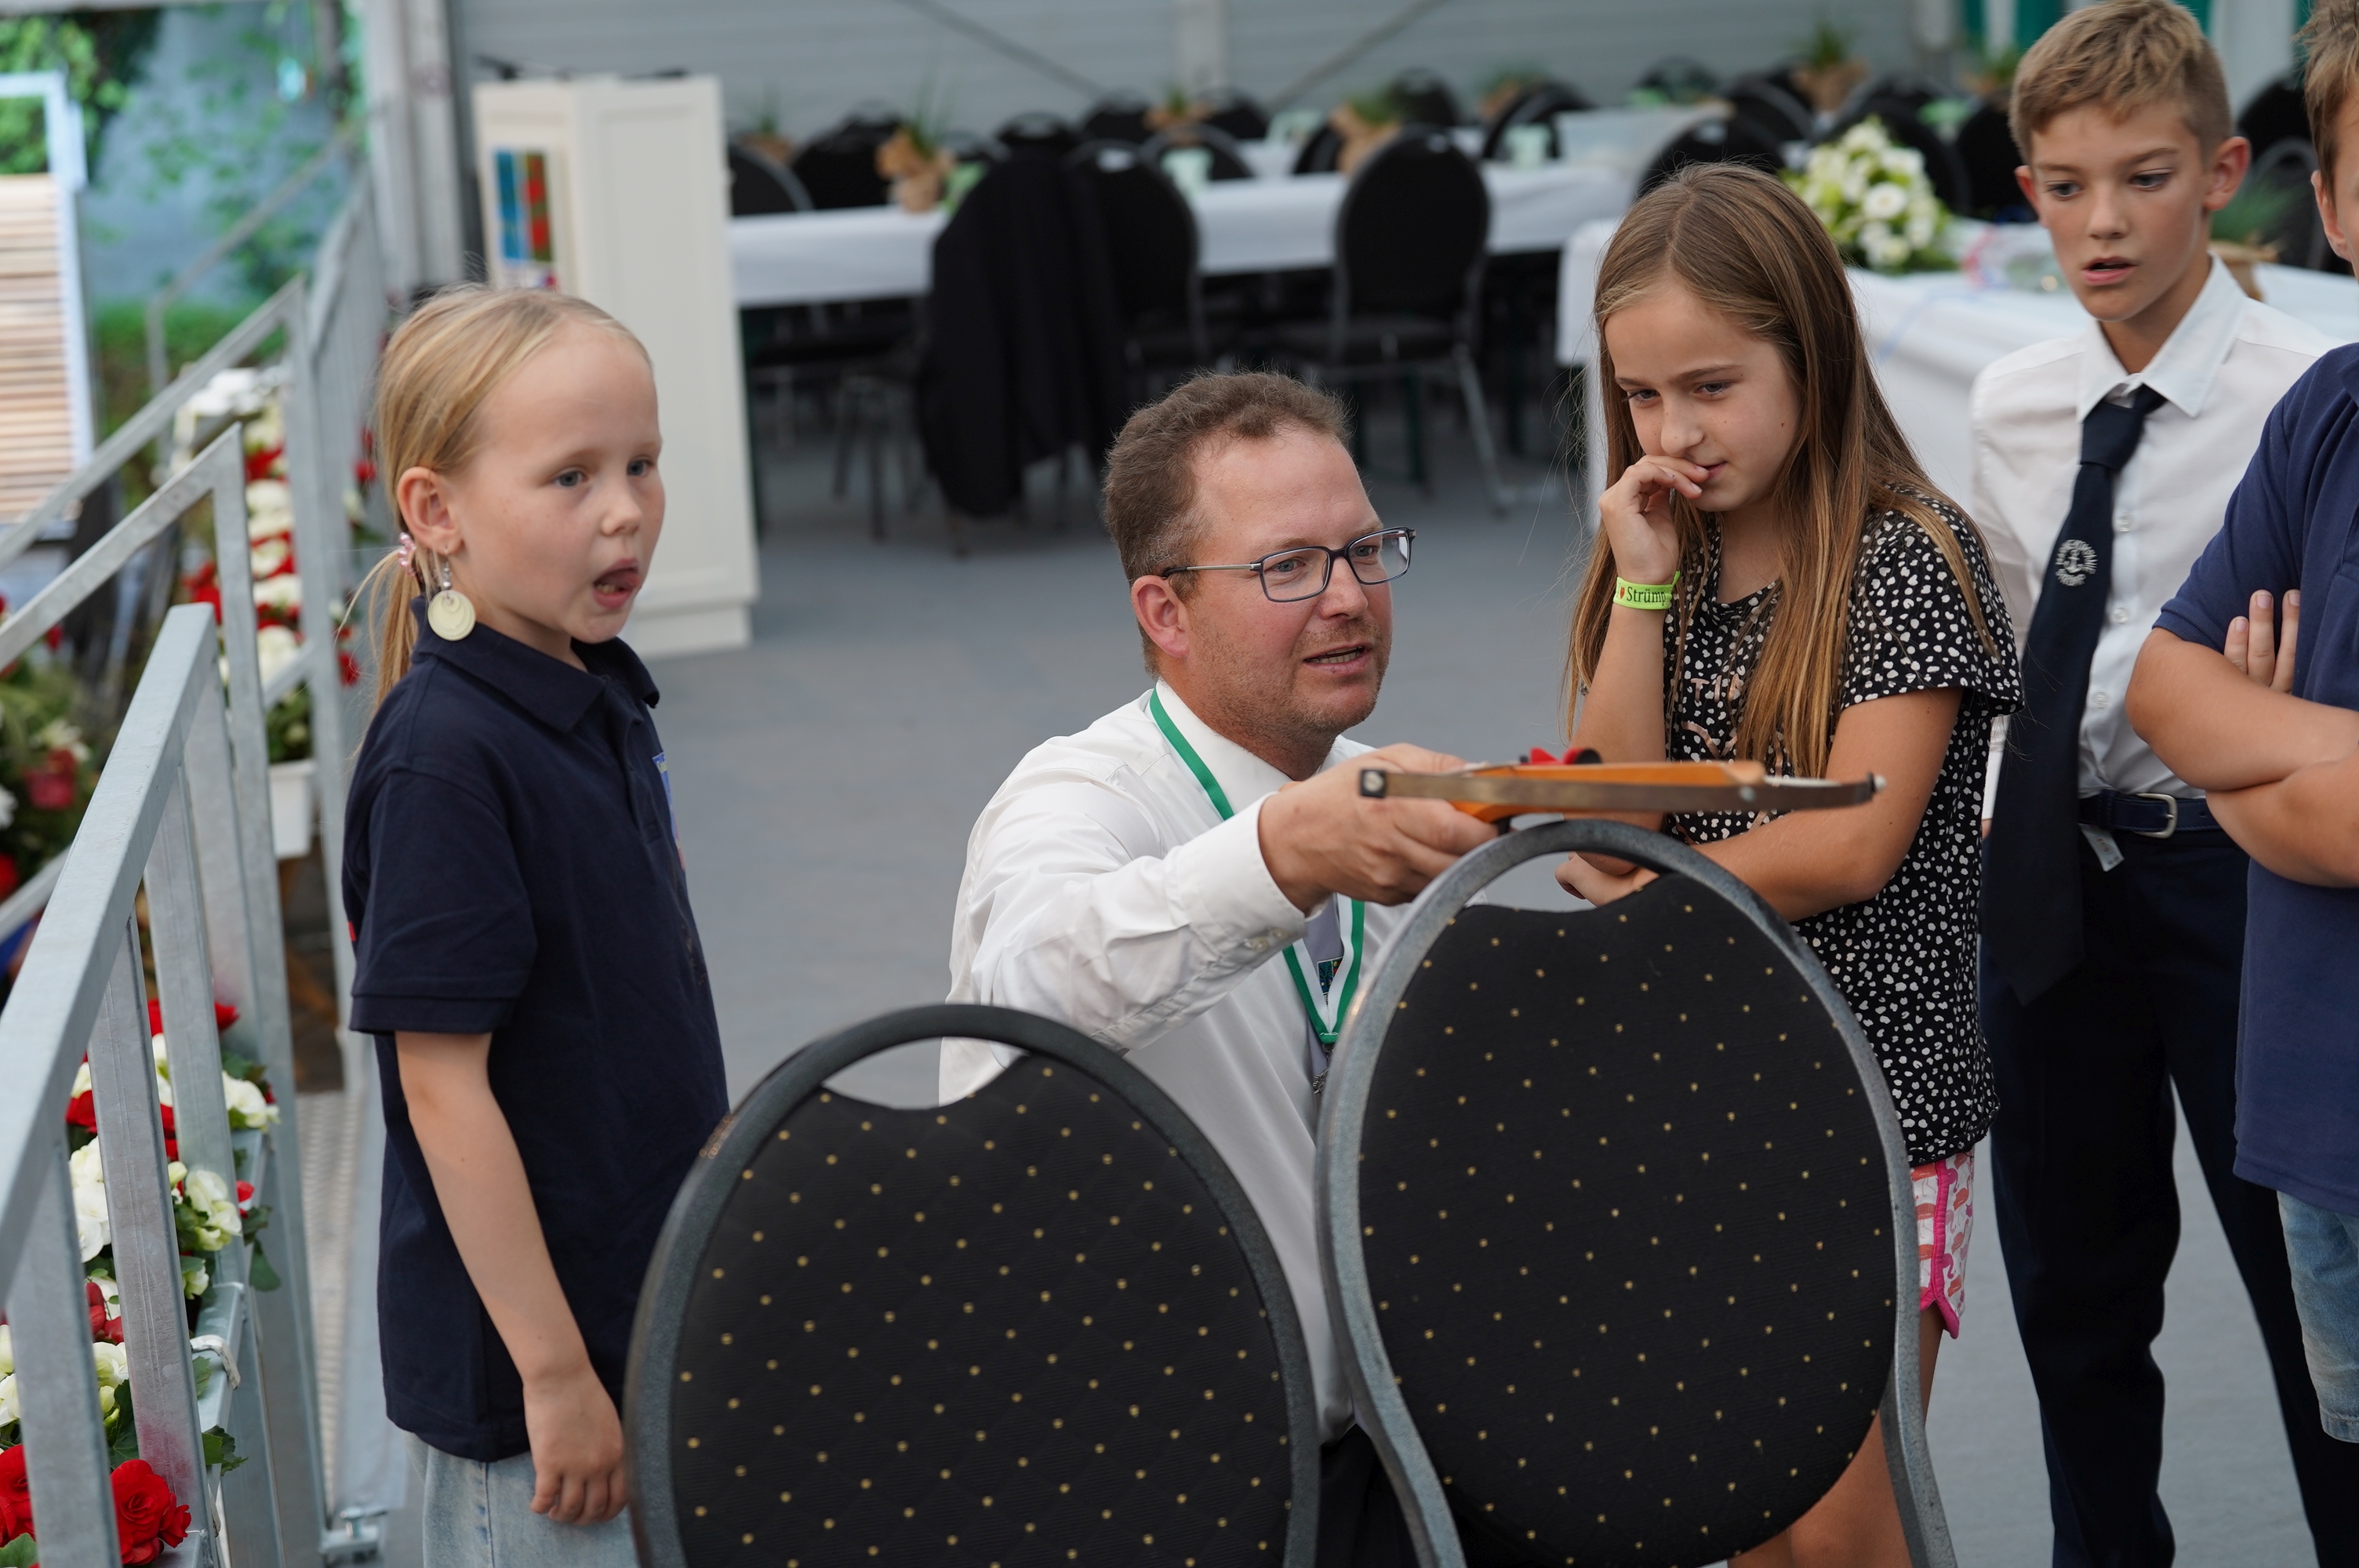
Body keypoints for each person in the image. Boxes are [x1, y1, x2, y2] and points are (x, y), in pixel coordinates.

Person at [943, 370, 1500, 1566]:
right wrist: (1281, 857)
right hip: (1152, 1488)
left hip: (1389, 1454)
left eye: (1365, 550)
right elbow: (1033, 986)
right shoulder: (1078, 795)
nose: (1347, 597)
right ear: (1167, 611)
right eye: (1288, 566)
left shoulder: (1376, 790)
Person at [1557, 163, 2021, 1567]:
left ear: (1812, 358)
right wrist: (1642, 586)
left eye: (1712, 386)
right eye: (1642, 396)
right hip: (1699, 1099)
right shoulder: (1663, 561)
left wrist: (1648, 889)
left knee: (1846, 1528)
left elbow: (1853, 840)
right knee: (1742, 1515)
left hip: (1878, 1105)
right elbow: (1606, 816)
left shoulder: (1908, 557)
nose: (1674, 432)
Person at [1972, 5, 2359, 1560]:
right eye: (2066, 189)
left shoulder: (2300, 389)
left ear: (2222, 173)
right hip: (2056, 873)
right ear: (2027, 193)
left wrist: (2247, 736)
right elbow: (2025, 645)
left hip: (2234, 871)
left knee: (2299, 1275)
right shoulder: (2011, 402)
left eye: (2142, 179)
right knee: (2071, 1286)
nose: (2105, 224)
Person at [342, 286, 728, 1566]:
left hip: (637, 1310)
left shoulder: (591, 685)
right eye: (570, 477)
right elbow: (442, 1090)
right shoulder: (445, 760)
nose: (625, 511)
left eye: (641, 463)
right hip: (536, 1388)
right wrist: (556, 1376)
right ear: (435, 509)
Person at [2128, 0, 2359, 1477]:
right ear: (2331, 207)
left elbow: (2224, 750)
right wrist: (2276, 772)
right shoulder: (2328, 414)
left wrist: (2253, 771)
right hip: (2319, 1101)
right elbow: (2164, 689)